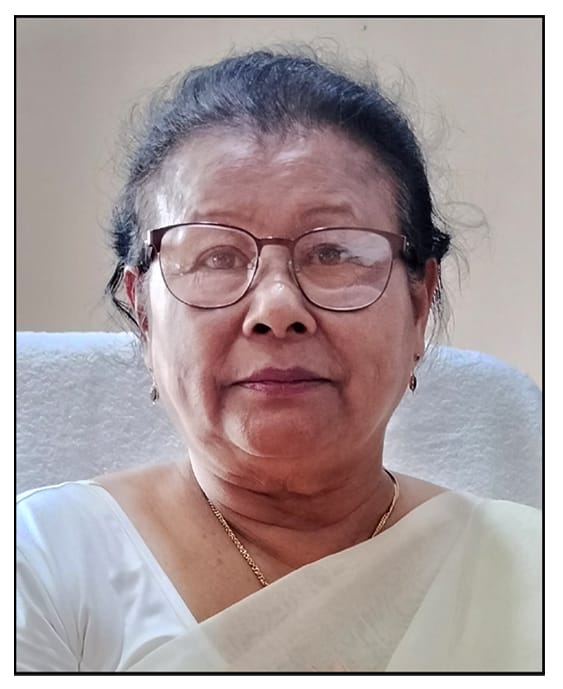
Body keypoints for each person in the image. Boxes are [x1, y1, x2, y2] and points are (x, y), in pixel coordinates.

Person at [16, 49, 541, 673]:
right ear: (145, 317)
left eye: (333, 253)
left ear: (419, 306)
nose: (277, 309)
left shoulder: (531, 575)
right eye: (215, 256)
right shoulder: (42, 563)